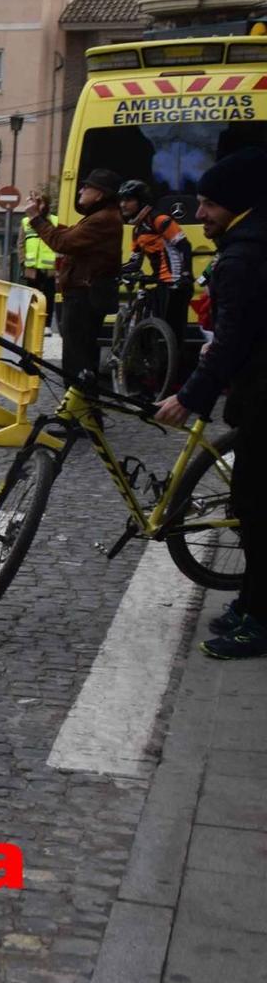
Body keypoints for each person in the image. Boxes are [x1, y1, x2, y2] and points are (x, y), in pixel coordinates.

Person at [156, 146, 267, 658]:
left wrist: (189, 396)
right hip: (255, 392)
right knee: (249, 501)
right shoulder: (248, 243)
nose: (199, 214)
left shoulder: (244, 257)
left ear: (238, 203)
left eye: (208, 204)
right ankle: (251, 601)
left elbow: (231, 340)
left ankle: (260, 621)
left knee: (258, 507)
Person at [26, 168, 124, 388]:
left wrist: (35, 219)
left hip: (84, 295)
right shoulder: (99, 217)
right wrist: (42, 217)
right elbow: (69, 235)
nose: (81, 191)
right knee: (79, 355)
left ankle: (81, 408)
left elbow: (63, 243)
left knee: (76, 358)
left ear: (100, 194)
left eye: (87, 187)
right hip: (83, 292)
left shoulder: (102, 219)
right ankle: (82, 408)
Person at [119, 178, 195, 359]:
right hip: (160, 281)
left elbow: (184, 247)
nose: (123, 204)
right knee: (153, 330)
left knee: (173, 334)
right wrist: (116, 271)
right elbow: (135, 261)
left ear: (141, 201)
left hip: (176, 282)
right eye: (121, 200)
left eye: (128, 200)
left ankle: (175, 378)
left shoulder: (160, 220)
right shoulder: (137, 229)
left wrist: (186, 275)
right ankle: (150, 370)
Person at [23, 224, 58, 325]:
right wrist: (23, 262)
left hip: (50, 269)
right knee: (32, 298)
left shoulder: (56, 220)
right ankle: (31, 323)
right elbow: (21, 244)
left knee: (48, 298)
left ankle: (46, 324)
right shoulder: (26, 222)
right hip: (32, 268)